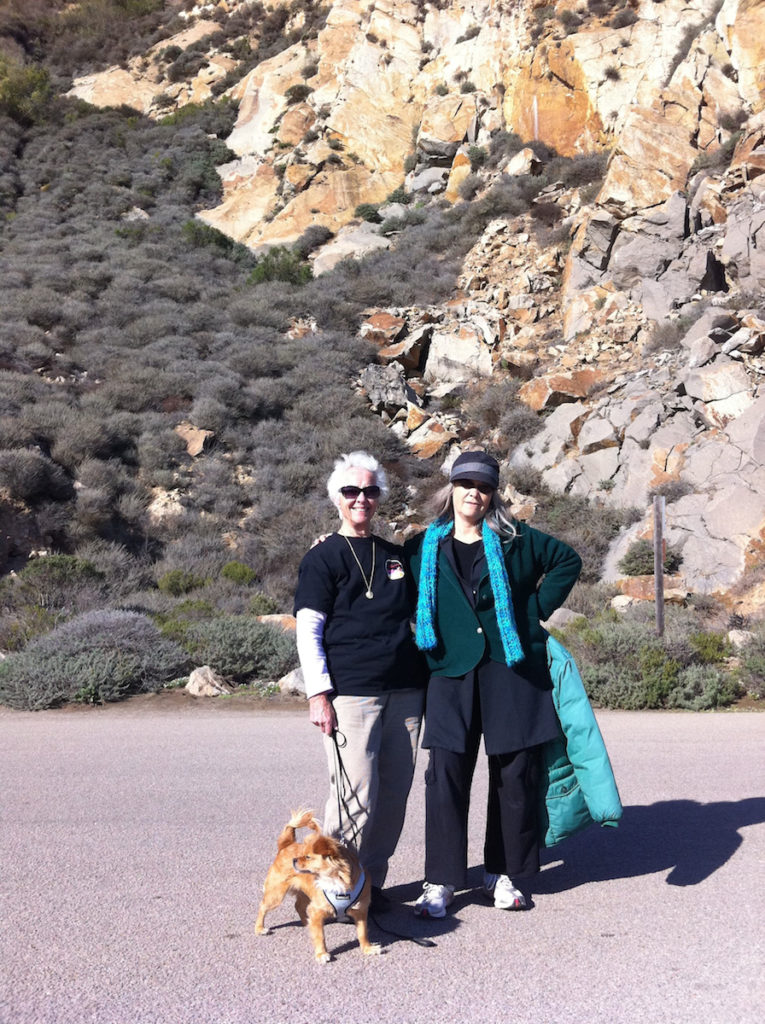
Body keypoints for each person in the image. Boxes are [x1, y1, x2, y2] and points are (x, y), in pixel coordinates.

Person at [405, 450, 582, 917]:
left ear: (493, 494)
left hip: (511, 669)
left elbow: (567, 560)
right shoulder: (424, 546)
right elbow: (387, 574)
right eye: (466, 484)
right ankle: (441, 880)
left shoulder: (516, 539)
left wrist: (533, 610)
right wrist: (336, 542)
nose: (474, 493)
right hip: (450, 672)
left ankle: (500, 874)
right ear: (451, 488)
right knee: (445, 775)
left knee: (514, 774)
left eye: (483, 487)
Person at [293, 451, 425, 910]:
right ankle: (333, 892)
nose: (361, 499)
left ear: (380, 496)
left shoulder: (395, 557)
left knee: (393, 795)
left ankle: (370, 887)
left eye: (370, 491)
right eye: (351, 491)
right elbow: (309, 630)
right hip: (351, 694)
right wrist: (318, 694)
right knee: (354, 796)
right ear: (336, 498)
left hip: (406, 693)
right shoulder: (323, 558)